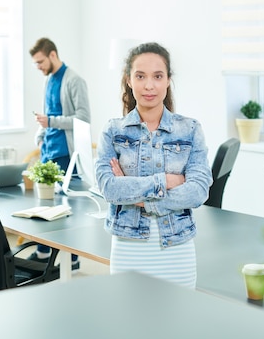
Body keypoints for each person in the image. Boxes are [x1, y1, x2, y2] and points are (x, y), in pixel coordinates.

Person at [95, 42, 212, 288]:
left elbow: (199, 191)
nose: (149, 85)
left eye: (157, 76)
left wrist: (136, 193)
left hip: (177, 249)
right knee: (130, 323)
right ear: (129, 80)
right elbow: (109, 189)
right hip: (128, 248)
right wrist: (168, 181)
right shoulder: (113, 131)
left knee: (178, 323)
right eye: (140, 76)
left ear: (168, 80)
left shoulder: (190, 129)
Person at [29, 37, 91, 269]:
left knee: (65, 208)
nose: (38, 67)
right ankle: (44, 253)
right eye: (35, 63)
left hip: (66, 153)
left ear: (52, 55)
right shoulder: (48, 80)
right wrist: (41, 131)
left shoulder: (74, 80)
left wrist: (51, 121)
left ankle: (71, 258)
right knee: (45, 205)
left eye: (40, 61)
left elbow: (83, 119)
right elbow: (48, 114)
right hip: (49, 150)